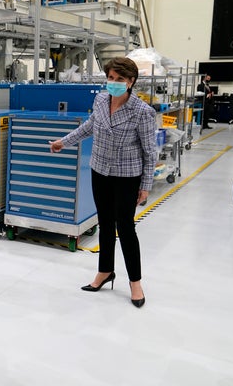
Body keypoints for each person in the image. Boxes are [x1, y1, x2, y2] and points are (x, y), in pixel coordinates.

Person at [49, 57, 156, 308]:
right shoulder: (100, 100)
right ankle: (105, 271)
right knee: (105, 224)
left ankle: (135, 282)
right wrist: (63, 142)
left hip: (127, 176)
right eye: (110, 78)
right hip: (100, 171)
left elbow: (150, 152)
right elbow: (89, 127)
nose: (114, 83)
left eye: (120, 79)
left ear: (131, 82)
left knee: (126, 228)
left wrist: (146, 185)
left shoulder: (142, 111)